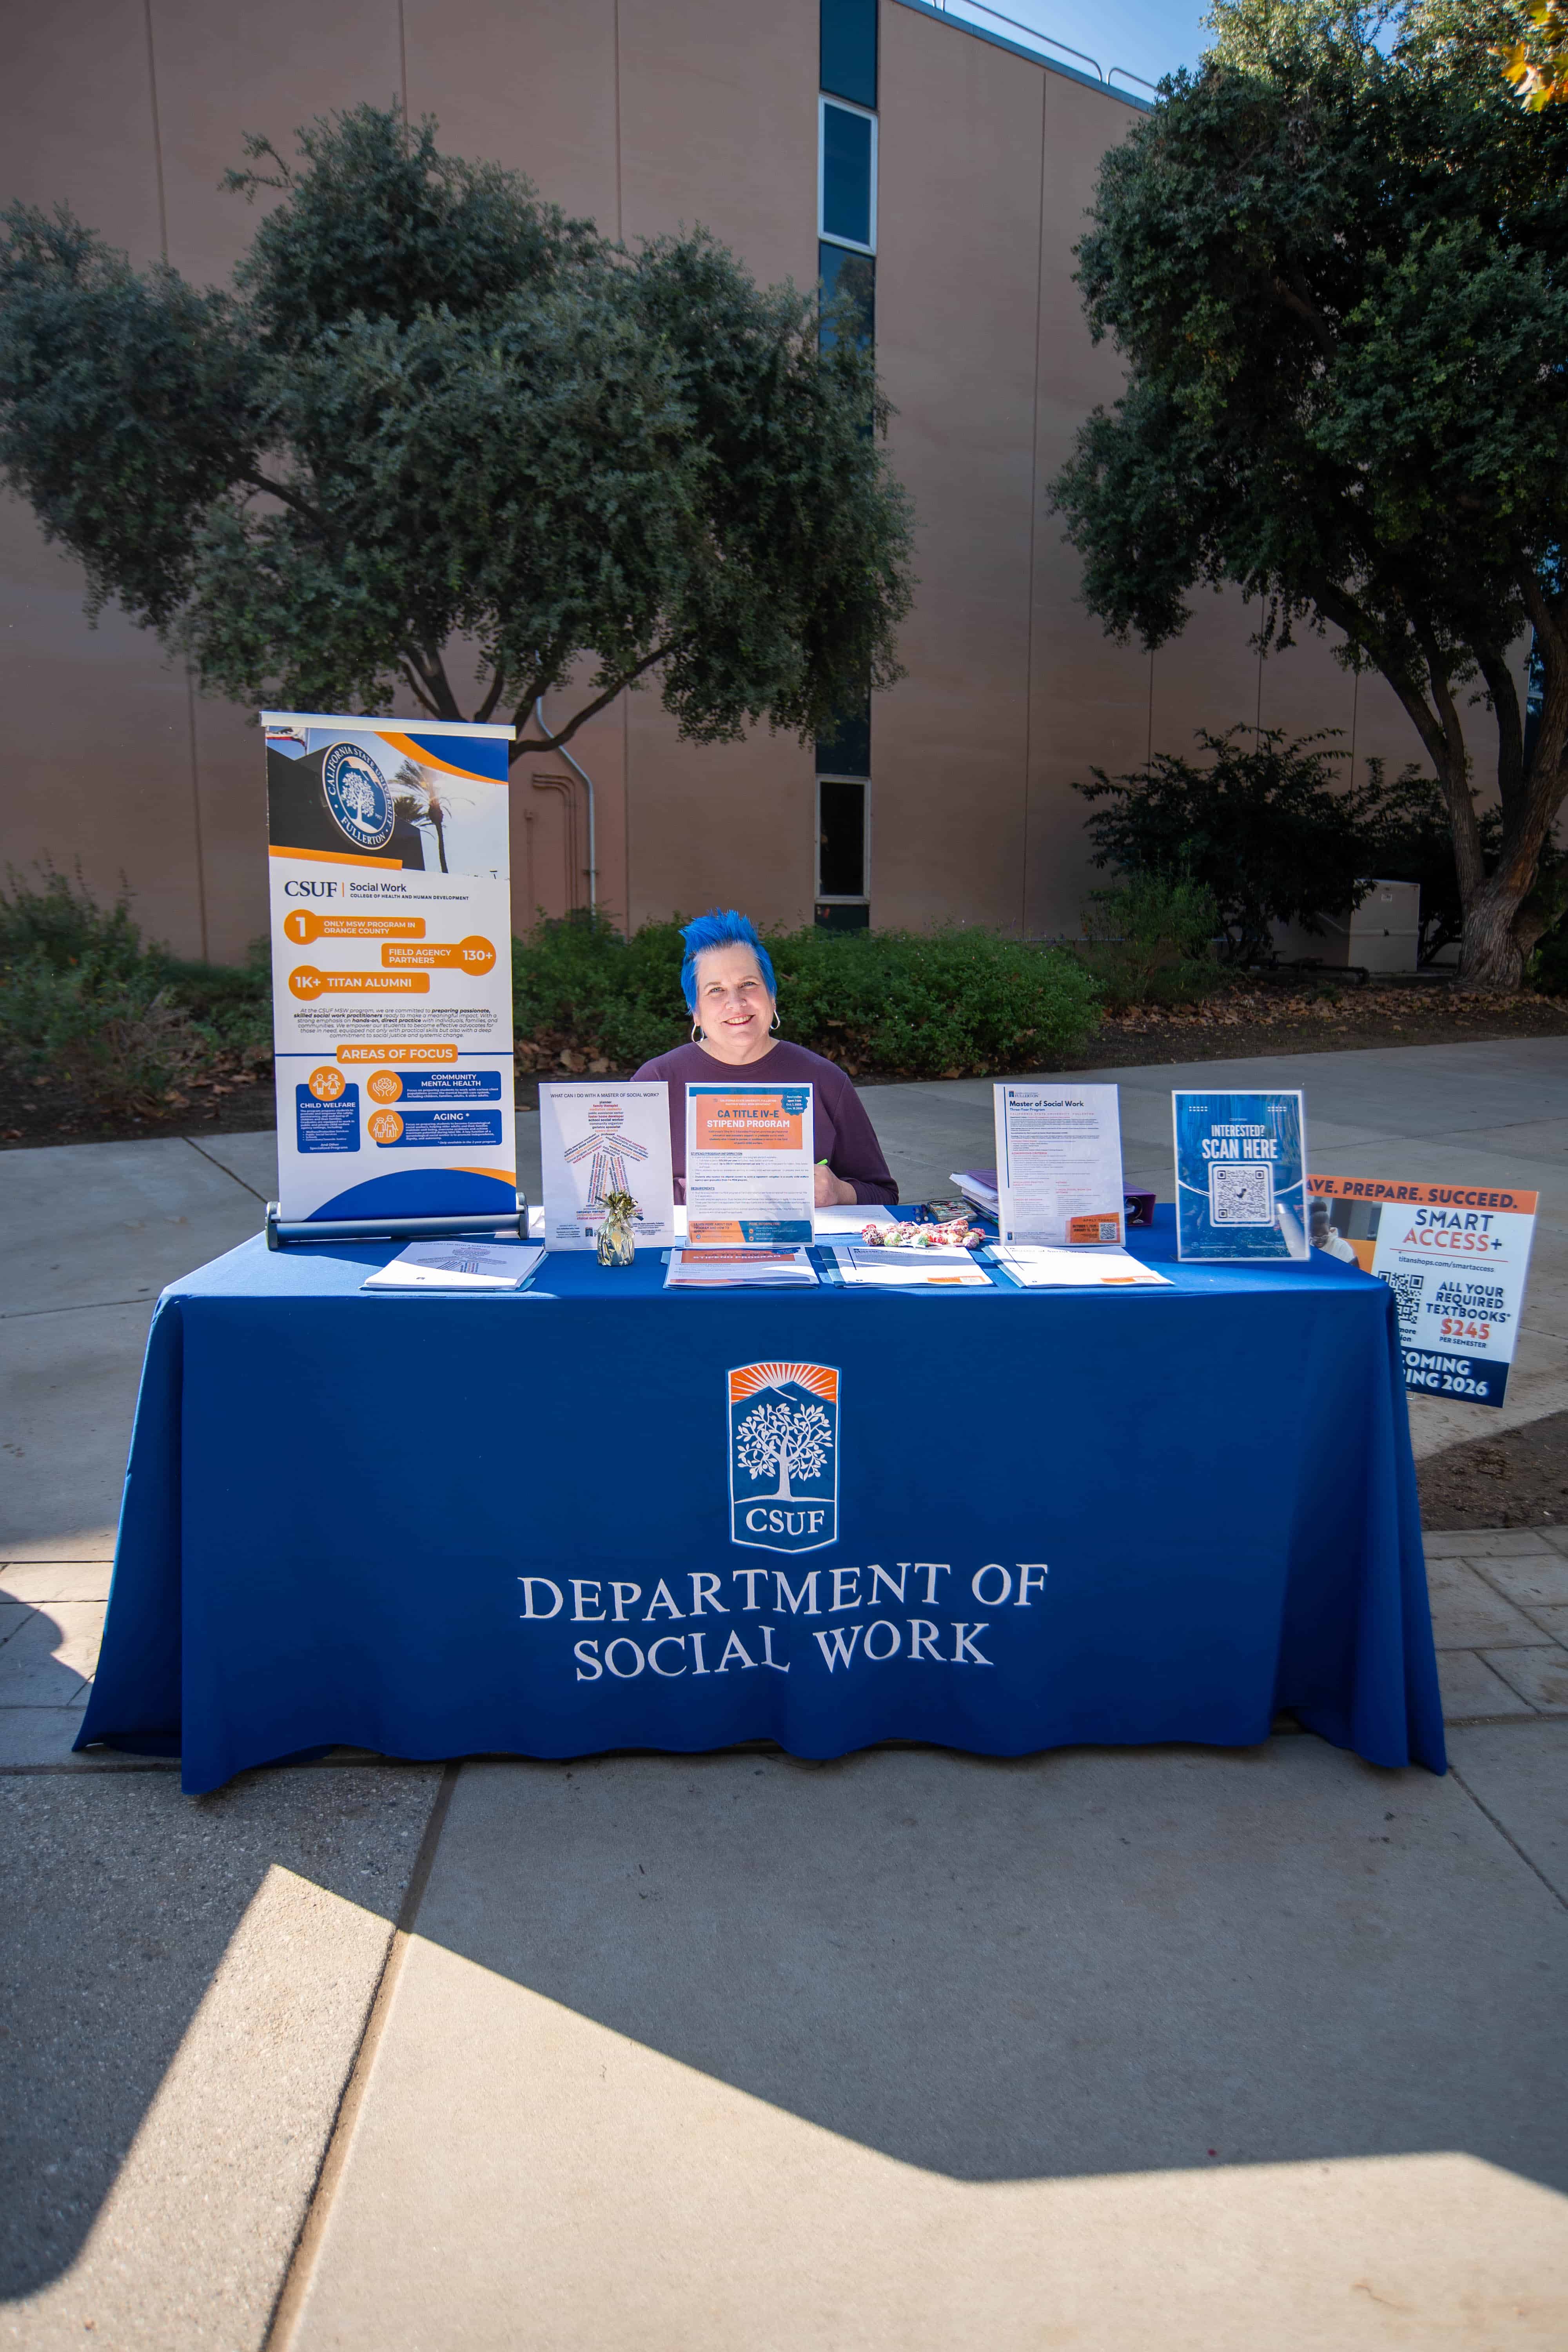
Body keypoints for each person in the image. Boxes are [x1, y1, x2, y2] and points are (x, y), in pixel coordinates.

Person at [634, 910, 898, 1208]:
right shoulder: (655, 1082)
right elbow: (618, 1198)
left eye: (748, 984)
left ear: (772, 996)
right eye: (716, 990)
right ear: (696, 1012)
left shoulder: (825, 1080)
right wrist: (707, 1194)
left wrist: (840, 1192)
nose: (736, 1003)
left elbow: (885, 1196)